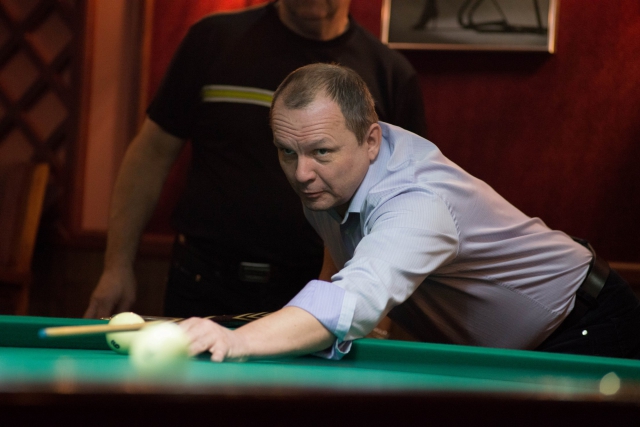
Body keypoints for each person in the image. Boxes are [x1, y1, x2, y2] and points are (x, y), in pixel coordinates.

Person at [179, 63, 640, 362]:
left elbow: (354, 297)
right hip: (508, 346)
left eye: (320, 151)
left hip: (588, 326)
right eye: (286, 152)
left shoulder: (417, 201)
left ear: (371, 140)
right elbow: (340, 260)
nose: (301, 173)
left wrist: (239, 341)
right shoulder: (331, 175)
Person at [83, 0, 427, 319]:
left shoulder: (389, 73)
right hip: (203, 280)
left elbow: (406, 199)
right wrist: (116, 266)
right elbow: (151, 155)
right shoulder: (213, 39)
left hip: (321, 286)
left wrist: (381, 306)